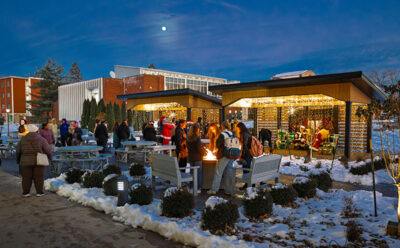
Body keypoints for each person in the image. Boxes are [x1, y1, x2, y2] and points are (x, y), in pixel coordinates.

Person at [16, 124, 52, 197]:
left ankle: (26, 192)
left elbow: (18, 151)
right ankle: (39, 192)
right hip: (39, 161)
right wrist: (50, 158)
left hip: (25, 161)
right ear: (37, 131)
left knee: (26, 177)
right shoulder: (42, 139)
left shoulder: (23, 139)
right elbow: (48, 150)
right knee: (39, 177)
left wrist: (18, 160)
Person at [207, 121, 236, 195]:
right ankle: (228, 190)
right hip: (231, 155)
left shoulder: (222, 134)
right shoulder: (232, 134)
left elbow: (217, 144)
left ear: (223, 126)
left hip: (224, 155)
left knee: (218, 172)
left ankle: (214, 189)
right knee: (228, 173)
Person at [187, 123, 205, 192]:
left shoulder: (188, 137)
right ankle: (198, 188)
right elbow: (199, 149)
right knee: (198, 174)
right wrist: (203, 153)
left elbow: (188, 147)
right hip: (197, 158)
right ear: (197, 129)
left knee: (192, 173)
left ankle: (191, 187)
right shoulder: (197, 138)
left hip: (191, 158)